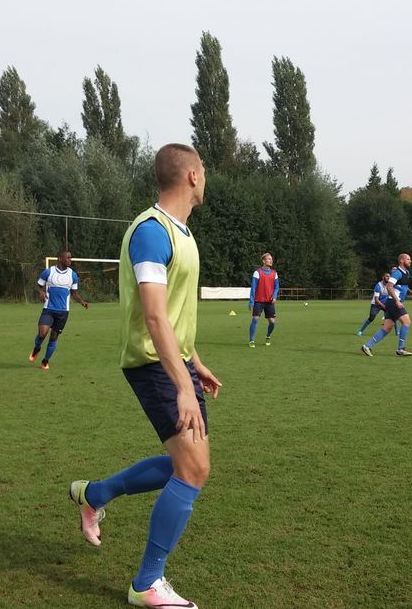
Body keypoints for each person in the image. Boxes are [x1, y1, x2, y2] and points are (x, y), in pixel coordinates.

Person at [67, 143, 221, 609]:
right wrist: (181, 386)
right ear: (192, 175)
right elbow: (154, 317)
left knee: (186, 466)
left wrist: (195, 363)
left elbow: (174, 314)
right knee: (193, 469)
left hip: (172, 362)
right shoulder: (152, 232)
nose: (206, 178)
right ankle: (146, 584)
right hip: (152, 365)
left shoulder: (183, 234)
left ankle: (94, 494)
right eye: (204, 171)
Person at [29, 250, 89, 370]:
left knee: (53, 337)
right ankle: (37, 348)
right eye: (67, 258)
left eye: (70, 258)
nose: (70, 260)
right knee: (42, 333)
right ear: (60, 258)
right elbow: (38, 286)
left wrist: (82, 302)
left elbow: (74, 293)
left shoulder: (73, 275)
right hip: (48, 309)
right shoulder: (48, 272)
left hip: (63, 312)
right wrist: (41, 292)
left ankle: (45, 361)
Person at [360, 254, 412, 357]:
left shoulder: (406, 272)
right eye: (408, 259)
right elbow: (389, 287)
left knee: (387, 328)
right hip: (394, 303)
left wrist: (410, 291)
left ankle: (367, 346)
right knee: (407, 322)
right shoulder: (397, 273)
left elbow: (402, 286)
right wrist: (397, 301)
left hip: (391, 303)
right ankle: (401, 349)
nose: (410, 261)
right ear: (402, 260)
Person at [248, 252, 279, 347]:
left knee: (272, 322)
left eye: (271, 259)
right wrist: (251, 302)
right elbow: (253, 288)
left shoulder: (274, 273)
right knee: (255, 319)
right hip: (259, 301)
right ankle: (251, 340)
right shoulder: (257, 273)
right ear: (263, 261)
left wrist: (274, 296)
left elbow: (276, 287)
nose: (271, 260)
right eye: (269, 259)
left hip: (269, 302)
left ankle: (268, 336)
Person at [357, 272, 390, 336]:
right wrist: (384, 306)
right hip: (376, 304)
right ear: (383, 277)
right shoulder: (378, 286)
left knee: (393, 316)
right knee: (371, 318)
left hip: (385, 304)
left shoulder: (390, 285)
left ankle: (397, 333)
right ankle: (360, 331)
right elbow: (376, 300)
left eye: (389, 276)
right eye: (387, 276)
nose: (388, 278)